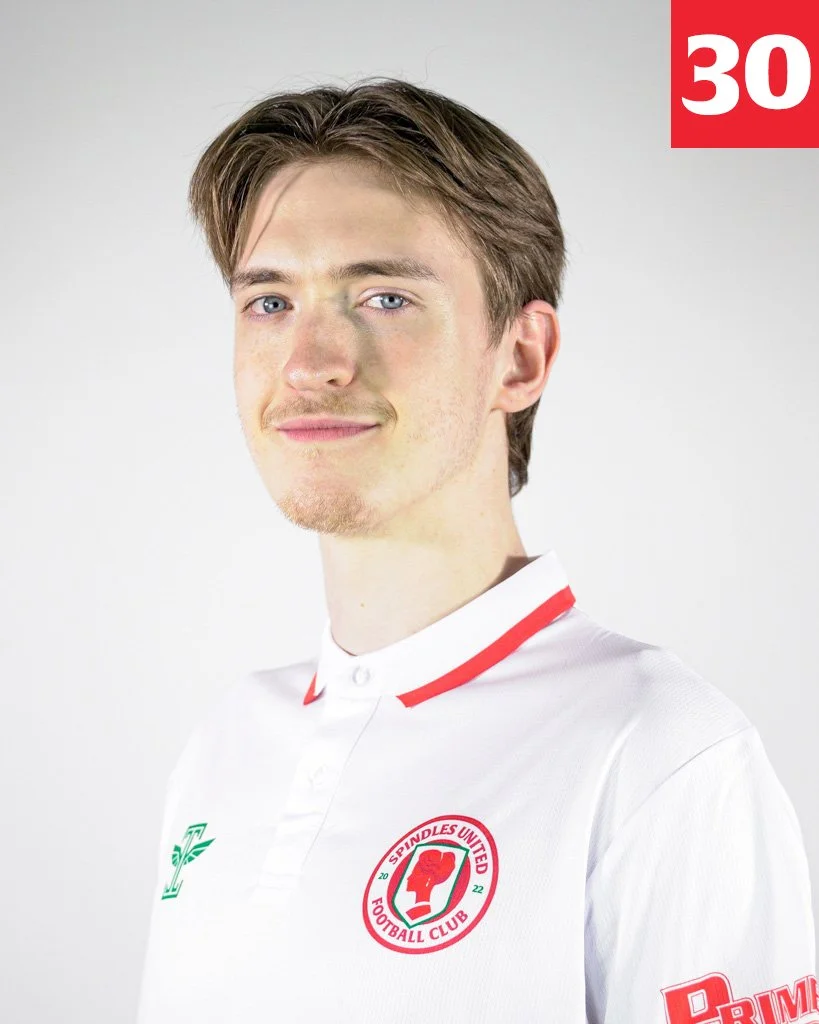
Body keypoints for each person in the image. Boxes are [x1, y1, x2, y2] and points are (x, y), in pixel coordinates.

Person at [136, 77, 817, 1023]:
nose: (311, 361)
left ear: (521, 358)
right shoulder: (225, 745)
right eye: (269, 302)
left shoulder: (656, 752)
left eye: (382, 296)